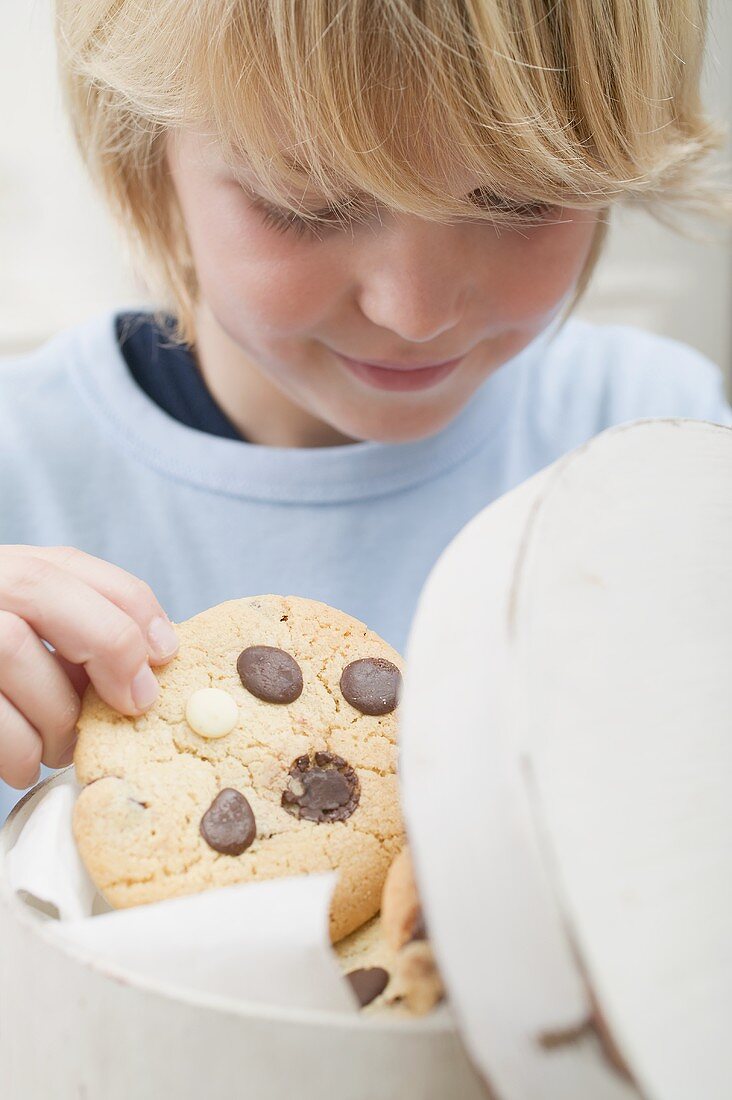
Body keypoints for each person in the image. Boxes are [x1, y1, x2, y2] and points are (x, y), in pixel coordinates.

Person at [1, 0, 730, 818]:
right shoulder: (20, 478)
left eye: (520, 202)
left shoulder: (656, 436)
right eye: (305, 205)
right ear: (144, 152)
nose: (414, 314)